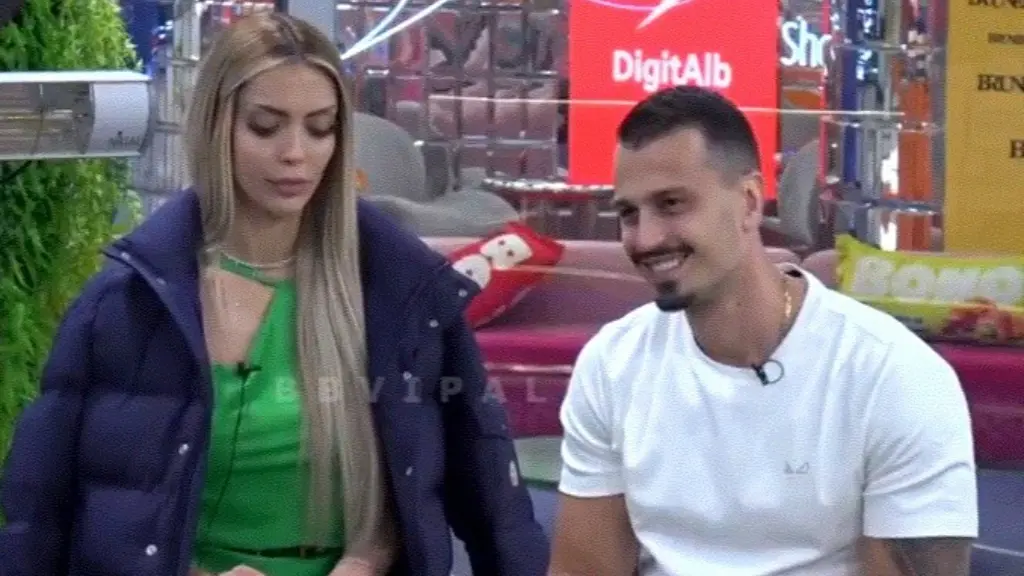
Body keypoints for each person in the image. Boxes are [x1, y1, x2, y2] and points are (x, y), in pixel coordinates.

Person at [0, 12, 547, 576]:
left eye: (321, 128)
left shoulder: (404, 293)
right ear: (215, 127)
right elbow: (43, 519)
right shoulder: (126, 304)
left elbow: (496, 507)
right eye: (266, 127)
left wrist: (372, 555)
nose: (295, 153)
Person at [548, 86, 978, 576]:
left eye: (671, 204)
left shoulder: (896, 376)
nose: (645, 239)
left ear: (750, 202)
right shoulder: (611, 364)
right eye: (629, 213)